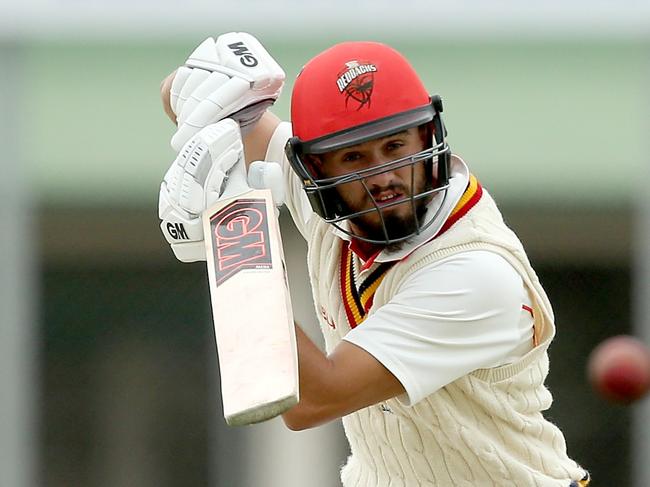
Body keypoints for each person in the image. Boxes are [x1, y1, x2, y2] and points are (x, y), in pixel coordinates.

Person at [158, 32, 590, 486]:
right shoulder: (337, 209)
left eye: (395, 146)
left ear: (428, 136)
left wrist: (236, 240)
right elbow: (189, 97)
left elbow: (310, 400)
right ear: (315, 170)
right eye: (354, 156)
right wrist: (207, 89)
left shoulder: (474, 275)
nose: (383, 177)